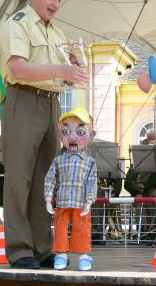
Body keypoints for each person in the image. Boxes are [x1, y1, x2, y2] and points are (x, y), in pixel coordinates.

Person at [0, 0, 88, 269]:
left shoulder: (58, 34)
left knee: (44, 182)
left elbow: (61, 78)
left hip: (52, 104)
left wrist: (73, 68)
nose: (56, 4)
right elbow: (19, 69)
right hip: (22, 99)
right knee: (19, 179)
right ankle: (19, 249)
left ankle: (41, 248)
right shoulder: (17, 24)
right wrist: (62, 70)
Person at [44, 106, 97, 270]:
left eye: (80, 132)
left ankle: (84, 256)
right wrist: (48, 198)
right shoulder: (58, 160)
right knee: (60, 228)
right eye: (66, 132)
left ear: (91, 135)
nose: (72, 137)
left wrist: (89, 201)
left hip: (81, 203)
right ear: (60, 135)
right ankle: (61, 254)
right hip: (62, 202)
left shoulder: (89, 162)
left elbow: (92, 181)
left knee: (82, 228)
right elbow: (50, 178)